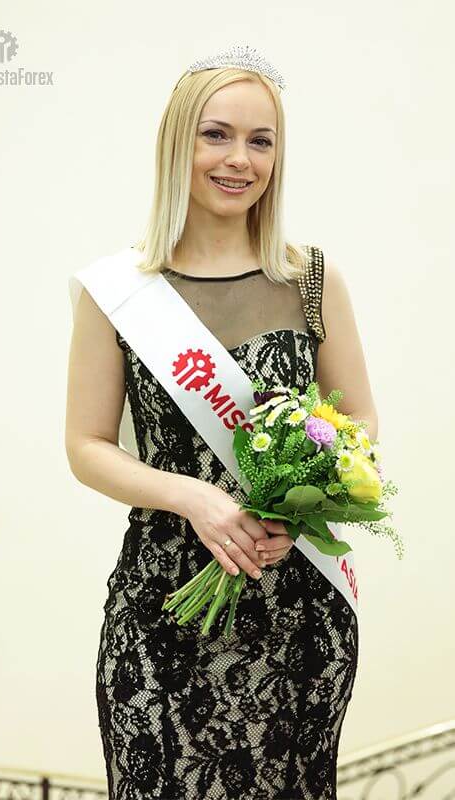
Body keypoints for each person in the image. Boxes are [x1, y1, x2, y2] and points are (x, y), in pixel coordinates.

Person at [65, 44, 378, 800]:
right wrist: (194, 497)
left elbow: (359, 418)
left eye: (260, 140)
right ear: (178, 143)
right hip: (160, 611)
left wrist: (300, 505)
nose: (240, 159)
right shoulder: (118, 290)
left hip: (296, 611)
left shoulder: (310, 278)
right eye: (216, 134)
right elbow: (86, 445)